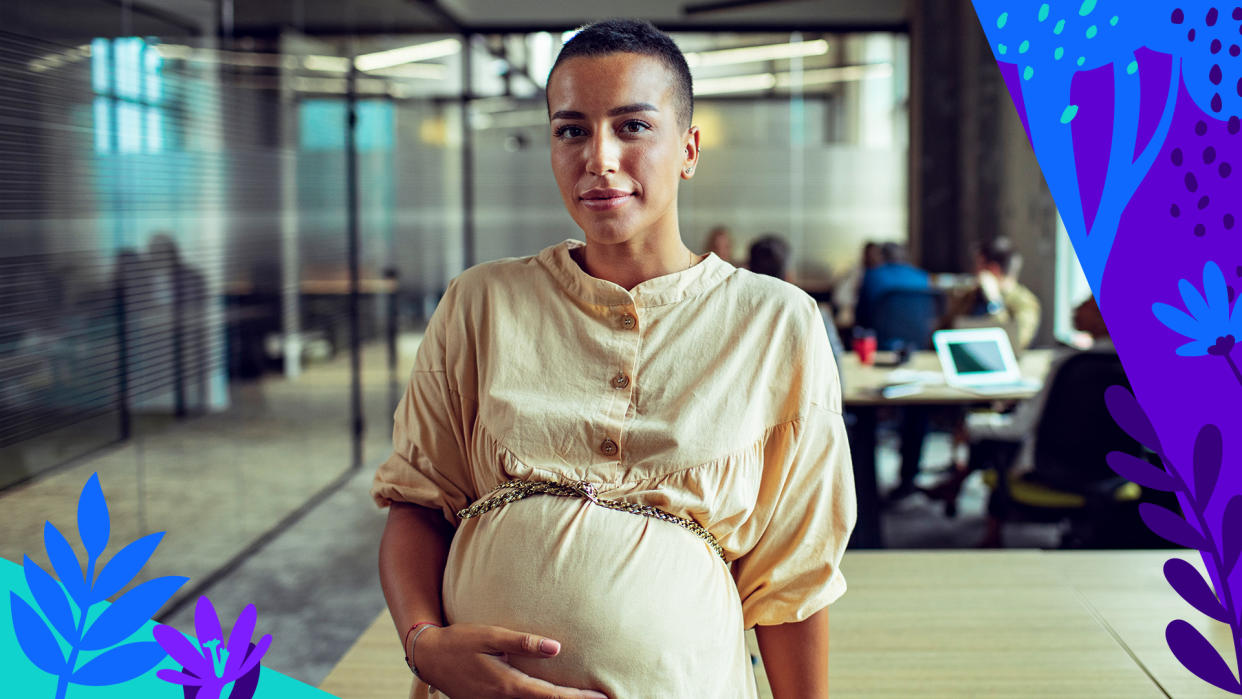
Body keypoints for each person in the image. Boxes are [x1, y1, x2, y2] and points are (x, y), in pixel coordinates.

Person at [373, 20, 856, 699]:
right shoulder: (481, 302)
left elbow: (793, 575)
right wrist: (422, 645)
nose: (598, 158)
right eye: (571, 130)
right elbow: (416, 501)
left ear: (688, 150)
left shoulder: (777, 322)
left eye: (632, 127)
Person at [747, 234, 846, 382]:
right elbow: (834, 373)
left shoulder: (738, 313)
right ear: (789, 275)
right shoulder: (812, 313)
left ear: (747, 271)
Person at [944, 236, 1041, 351]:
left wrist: (994, 300)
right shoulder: (971, 296)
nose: (974, 272)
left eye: (979, 266)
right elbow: (945, 331)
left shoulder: (1025, 302)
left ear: (993, 269)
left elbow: (1015, 342)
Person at [852, 242, 930, 333]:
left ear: (882, 256)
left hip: (880, 340)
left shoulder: (872, 275)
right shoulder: (922, 277)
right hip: (918, 339)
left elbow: (860, 314)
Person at [832, 241, 881, 328]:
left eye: (876, 254)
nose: (873, 257)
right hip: (856, 318)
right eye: (869, 254)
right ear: (864, 255)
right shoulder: (855, 273)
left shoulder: (882, 275)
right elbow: (839, 297)